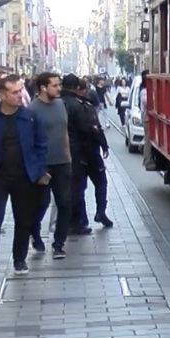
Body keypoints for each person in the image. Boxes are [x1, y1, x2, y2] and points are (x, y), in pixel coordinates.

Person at [0, 75, 48, 279]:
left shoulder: (30, 117)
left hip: (24, 177)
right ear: (2, 95)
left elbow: (41, 145)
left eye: (20, 90)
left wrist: (38, 169)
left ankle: (19, 259)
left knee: (23, 220)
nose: (19, 95)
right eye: (14, 92)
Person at [28, 72, 73, 259]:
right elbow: (29, 140)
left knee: (64, 203)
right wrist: (36, 168)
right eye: (55, 85)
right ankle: (35, 233)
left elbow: (64, 132)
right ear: (43, 88)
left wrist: (69, 157)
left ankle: (58, 244)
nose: (59, 88)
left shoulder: (61, 104)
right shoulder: (32, 109)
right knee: (42, 204)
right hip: (43, 165)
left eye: (59, 85)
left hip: (62, 162)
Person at [62, 77, 110, 231]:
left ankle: (78, 220)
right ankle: (99, 212)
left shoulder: (57, 104)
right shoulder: (82, 106)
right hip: (88, 151)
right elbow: (92, 128)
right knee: (100, 182)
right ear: (78, 89)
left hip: (69, 153)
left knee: (77, 188)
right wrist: (104, 145)